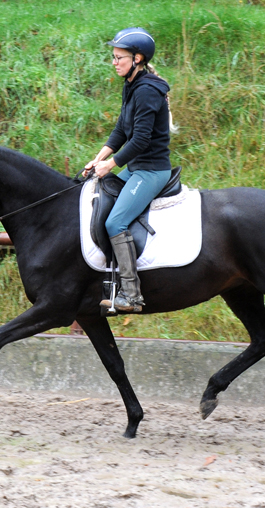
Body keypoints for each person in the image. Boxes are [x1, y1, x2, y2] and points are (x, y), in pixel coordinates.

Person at [84, 27, 175, 313]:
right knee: (95, 194)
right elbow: (122, 130)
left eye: (119, 57)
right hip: (135, 167)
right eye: (112, 57)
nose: (114, 62)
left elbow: (141, 139)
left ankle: (131, 295)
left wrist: (110, 165)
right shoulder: (132, 84)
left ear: (137, 58)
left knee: (115, 223)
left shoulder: (147, 90)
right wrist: (97, 159)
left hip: (151, 171)